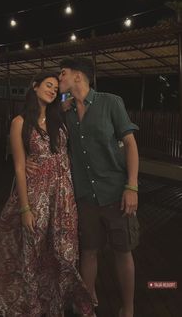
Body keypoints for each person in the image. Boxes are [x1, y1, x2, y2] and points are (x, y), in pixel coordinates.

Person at [0, 71, 94, 317]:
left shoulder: (57, 117)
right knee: (35, 250)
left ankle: (61, 300)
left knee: (65, 249)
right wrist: (25, 208)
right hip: (37, 194)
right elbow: (19, 166)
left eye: (55, 88)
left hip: (63, 194)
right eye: (48, 85)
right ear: (34, 86)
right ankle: (36, 303)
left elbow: (77, 100)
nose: (52, 90)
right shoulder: (20, 122)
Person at [58, 57, 140, 317]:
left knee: (122, 251)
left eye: (63, 74)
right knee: (89, 250)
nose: (59, 79)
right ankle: (86, 302)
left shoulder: (111, 102)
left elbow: (130, 144)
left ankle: (128, 308)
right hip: (84, 196)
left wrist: (132, 186)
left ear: (78, 76)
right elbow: (38, 120)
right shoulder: (67, 111)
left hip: (116, 192)